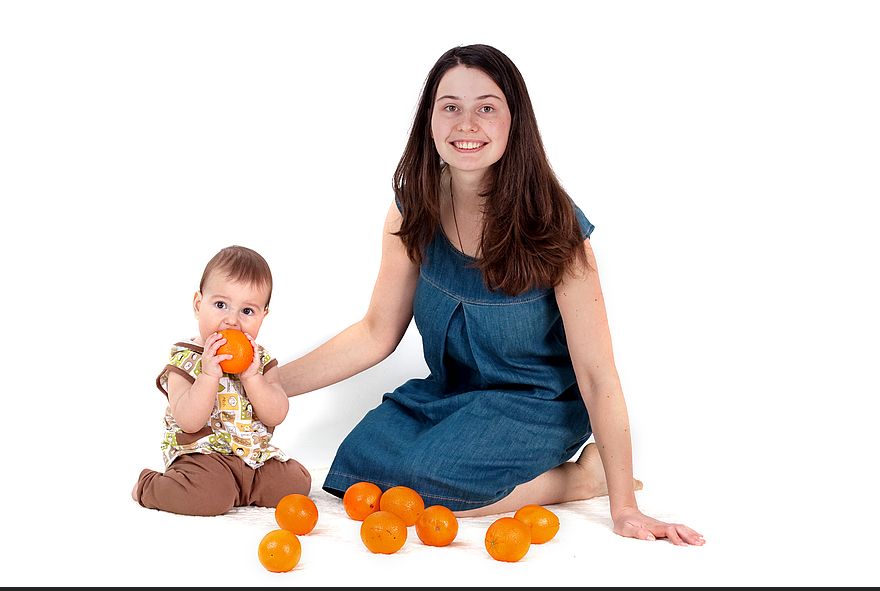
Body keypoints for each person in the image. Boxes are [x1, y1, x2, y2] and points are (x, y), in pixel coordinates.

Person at [279, 45, 703, 545]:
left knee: (432, 486)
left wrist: (625, 507)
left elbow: (596, 373)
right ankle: (464, 460)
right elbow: (376, 332)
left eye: (486, 107)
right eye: (450, 107)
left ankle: (578, 479)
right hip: (455, 397)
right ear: (429, 120)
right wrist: (268, 384)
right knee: (359, 464)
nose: (466, 124)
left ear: (513, 122)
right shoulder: (413, 210)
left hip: (538, 405)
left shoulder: (556, 229)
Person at [133, 246, 311, 516]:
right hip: (203, 457)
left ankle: (240, 488)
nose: (232, 321)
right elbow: (189, 420)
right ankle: (148, 486)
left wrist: (252, 378)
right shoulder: (185, 361)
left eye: (247, 311)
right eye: (220, 305)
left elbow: (276, 414)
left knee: (296, 484)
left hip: (253, 457)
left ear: (264, 315)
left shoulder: (260, 362)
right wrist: (208, 375)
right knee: (207, 497)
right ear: (198, 305)